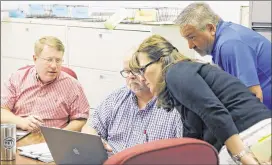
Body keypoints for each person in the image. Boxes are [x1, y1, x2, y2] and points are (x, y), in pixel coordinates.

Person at [129, 34, 271, 165]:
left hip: (248, 134)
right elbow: (194, 139)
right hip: (250, 134)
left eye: (142, 69)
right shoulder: (181, 81)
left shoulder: (175, 73)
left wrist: (243, 156)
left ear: (160, 61)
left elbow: (213, 111)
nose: (141, 78)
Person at [81, 52, 183, 156]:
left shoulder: (172, 107)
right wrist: (95, 141)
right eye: (127, 71)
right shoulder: (117, 97)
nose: (131, 76)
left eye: (136, 71)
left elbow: (183, 154)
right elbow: (89, 127)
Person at [174, 2, 271, 110]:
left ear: (211, 28)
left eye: (192, 37)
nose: (190, 46)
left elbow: (253, 98)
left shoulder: (229, 45)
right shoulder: (224, 38)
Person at [1, 36, 90, 132]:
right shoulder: (17, 78)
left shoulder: (72, 85)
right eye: (49, 60)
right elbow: (2, 110)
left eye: (58, 60)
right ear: (35, 59)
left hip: (52, 140)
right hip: (18, 135)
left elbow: (80, 119)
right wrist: (22, 122)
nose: (54, 66)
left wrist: (60, 134)